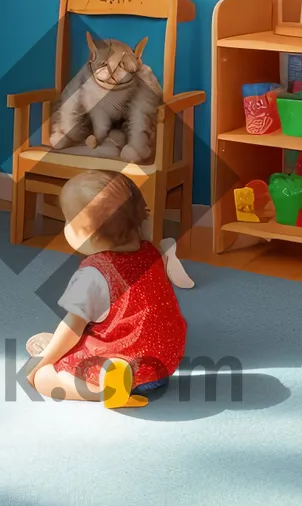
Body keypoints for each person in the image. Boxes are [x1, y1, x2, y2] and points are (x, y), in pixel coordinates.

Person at [26, 170, 190, 407]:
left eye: (68, 220)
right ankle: (115, 378)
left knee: (43, 378)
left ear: (85, 233)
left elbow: (73, 327)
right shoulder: (151, 253)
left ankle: (106, 390)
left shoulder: (93, 273)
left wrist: (41, 364)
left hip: (126, 367)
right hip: (164, 365)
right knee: (48, 340)